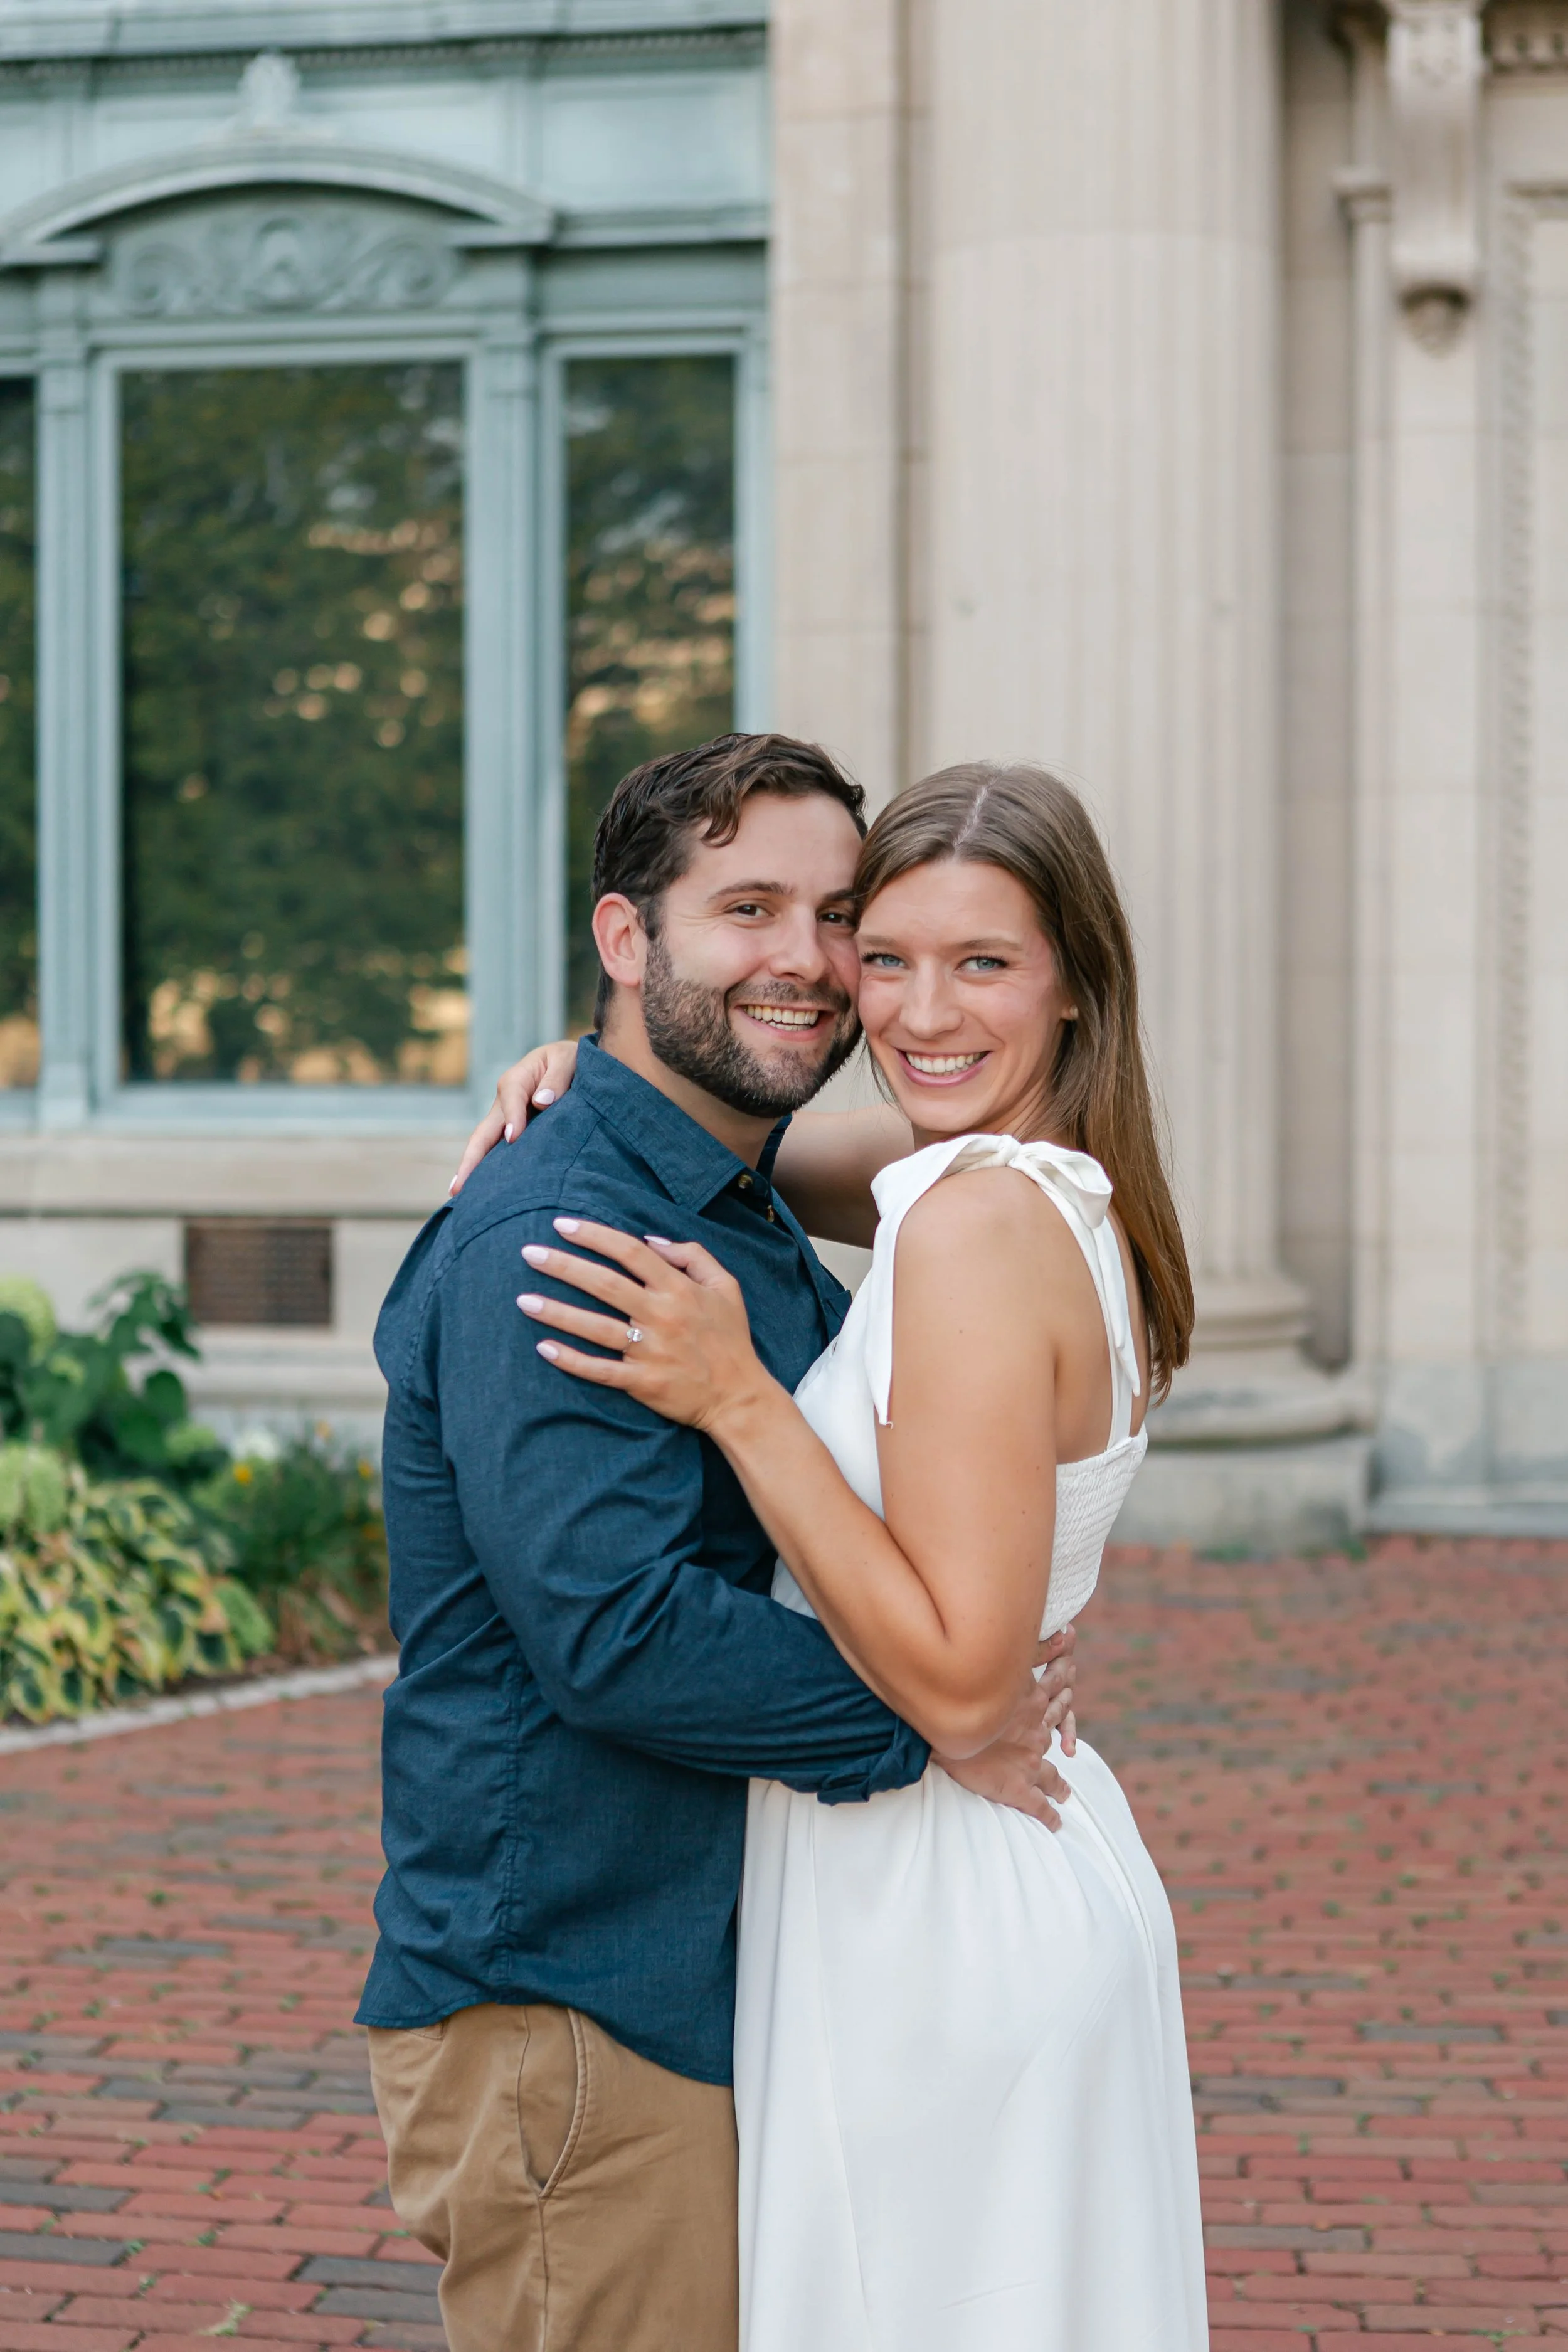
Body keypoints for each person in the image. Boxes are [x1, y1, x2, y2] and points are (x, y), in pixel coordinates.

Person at [472, 758, 1209, 2350]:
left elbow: (953, 1686)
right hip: (1022, 1861)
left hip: (936, 1901)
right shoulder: (1046, 1194)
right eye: (887, 959)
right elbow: (754, 1144)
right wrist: (587, 1071)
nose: (920, 1013)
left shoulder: (965, 1224)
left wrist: (741, 1399)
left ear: (1076, 983)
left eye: (983, 965)